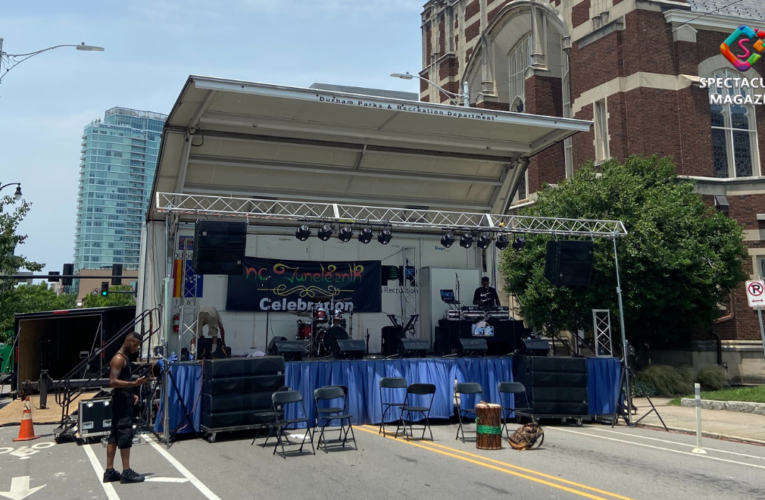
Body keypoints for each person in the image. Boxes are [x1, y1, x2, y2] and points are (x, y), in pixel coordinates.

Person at [104, 332, 147, 484]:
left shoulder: (126, 358)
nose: (136, 349)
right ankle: (126, 471)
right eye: (135, 345)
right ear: (128, 342)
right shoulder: (119, 358)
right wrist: (133, 385)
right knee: (124, 432)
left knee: (115, 434)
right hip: (120, 402)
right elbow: (113, 382)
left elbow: (123, 380)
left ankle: (109, 471)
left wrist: (132, 392)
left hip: (124, 398)